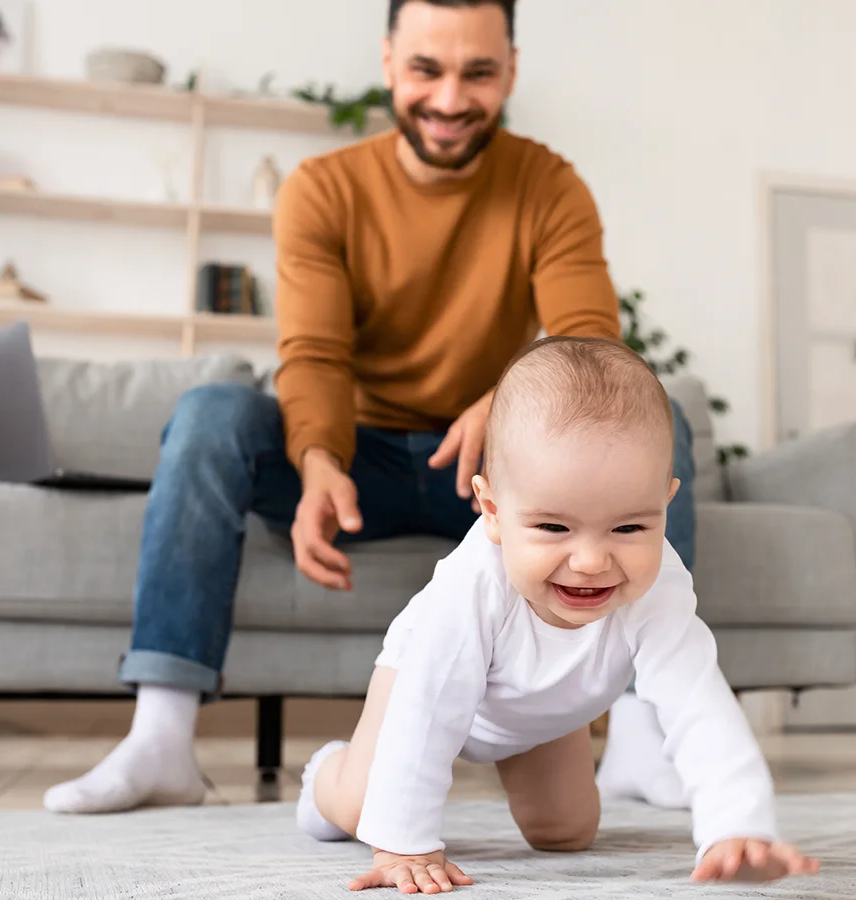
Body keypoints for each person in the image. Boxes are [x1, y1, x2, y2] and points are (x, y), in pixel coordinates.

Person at [44, 0, 693, 815]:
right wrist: (318, 462)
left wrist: (498, 405)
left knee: (657, 420)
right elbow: (313, 355)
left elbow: (590, 335)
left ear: (511, 73)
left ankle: (638, 737)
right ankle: (161, 740)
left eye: (478, 73)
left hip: (492, 469)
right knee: (213, 412)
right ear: (389, 64)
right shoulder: (323, 189)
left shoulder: (549, 185)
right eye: (427, 69)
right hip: (363, 462)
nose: (451, 98)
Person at [296, 337, 820, 893]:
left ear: (664, 504)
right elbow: (429, 706)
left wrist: (736, 826)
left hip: (544, 708)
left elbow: (698, 699)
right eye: (553, 528)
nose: (592, 561)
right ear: (493, 511)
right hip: (425, 685)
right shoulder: (470, 587)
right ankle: (325, 777)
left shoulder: (659, 584)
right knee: (364, 808)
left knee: (566, 830)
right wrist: (405, 843)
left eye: (628, 528)